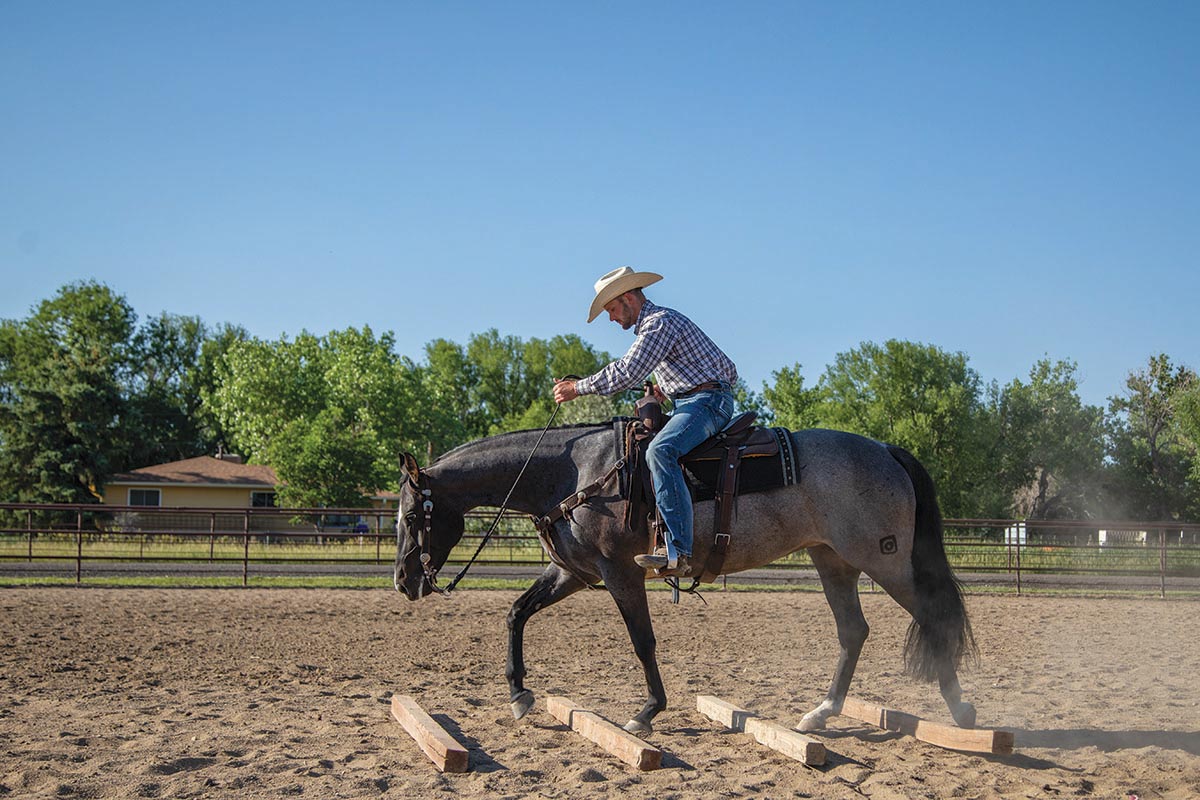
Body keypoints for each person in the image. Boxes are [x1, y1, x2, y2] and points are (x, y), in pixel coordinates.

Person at [553, 266, 738, 577]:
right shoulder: (660, 324)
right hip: (697, 400)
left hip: (708, 402)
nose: (611, 318)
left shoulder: (658, 324)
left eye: (611, 309)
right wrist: (664, 389)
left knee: (660, 451)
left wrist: (577, 388)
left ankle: (678, 549)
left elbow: (628, 371)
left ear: (627, 298)